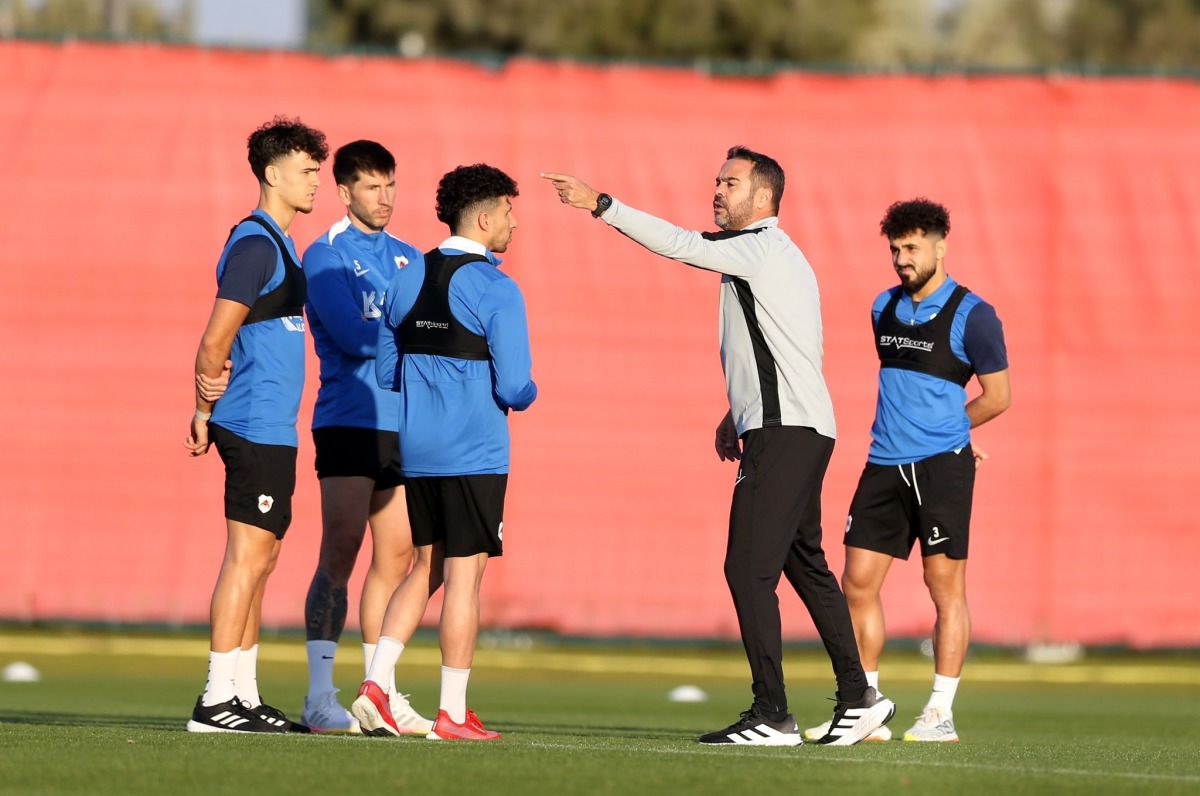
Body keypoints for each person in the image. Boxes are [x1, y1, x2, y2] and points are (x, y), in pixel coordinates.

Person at [542, 148, 894, 747]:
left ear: (763, 199)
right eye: (717, 180)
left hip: (786, 434)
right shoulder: (771, 256)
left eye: (730, 182)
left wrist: (601, 205)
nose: (717, 190)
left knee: (745, 570)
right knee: (804, 565)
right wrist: (740, 411)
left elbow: (681, 244)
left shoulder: (757, 248)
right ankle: (859, 697)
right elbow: (787, 346)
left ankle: (773, 713)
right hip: (795, 428)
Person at [804, 198, 1010, 744]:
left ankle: (939, 713)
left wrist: (952, 436)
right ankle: (864, 708)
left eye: (912, 247)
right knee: (856, 583)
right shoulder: (883, 307)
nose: (901, 258)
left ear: (941, 245)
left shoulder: (974, 314)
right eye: (895, 249)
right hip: (882, 465)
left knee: (944, 588)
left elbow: (998, 397)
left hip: (941, 469)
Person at [351, 164, 537, 741]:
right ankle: (452, 713)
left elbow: (386, 371)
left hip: (420, 449)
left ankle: (375, 685)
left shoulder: (405, 277)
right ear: (484, 218)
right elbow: (514, 388)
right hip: (475, 450)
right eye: (508, 211)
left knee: (424, 567)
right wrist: (528, 391)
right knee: (464, 578)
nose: (513, 222)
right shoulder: (497, 288)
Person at [183, 116, 328, 733]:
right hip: (251, 423)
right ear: (272, 175)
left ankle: (242, 694)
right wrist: (204, 406)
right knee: (245, 557)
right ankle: (216, 700)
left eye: (318, 170)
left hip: (274, 428)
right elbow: (213, 340)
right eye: (306, 170)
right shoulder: (255, 245)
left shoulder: (283, 243)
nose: (316, 181)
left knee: (263, 558)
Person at [298, 140, 432, 734]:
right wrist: (410, 328)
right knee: (341, 549)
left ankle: (378, 692)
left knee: (398, 556)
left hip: (405, 423)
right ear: (344, 191)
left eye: (391, 185)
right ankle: (318, 693)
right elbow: (354, 337)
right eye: (372, 187)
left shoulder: (412, 257)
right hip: (350, 418)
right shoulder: (325, 255)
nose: (385, 198)